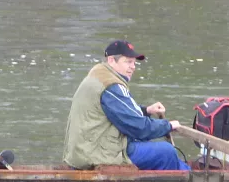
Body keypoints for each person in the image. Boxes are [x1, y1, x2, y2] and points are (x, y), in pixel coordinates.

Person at [64, 40, 190, 171]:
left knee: (152, 147)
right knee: (167, 151)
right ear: (112, 60)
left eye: (134, 62)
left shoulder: (98, 75)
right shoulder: (111, 86)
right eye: (128, 62)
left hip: (85, 151)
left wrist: (146, 110)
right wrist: (168, 126)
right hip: (97, 154)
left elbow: (118, 112)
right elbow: (139, 128)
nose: (133, 66)